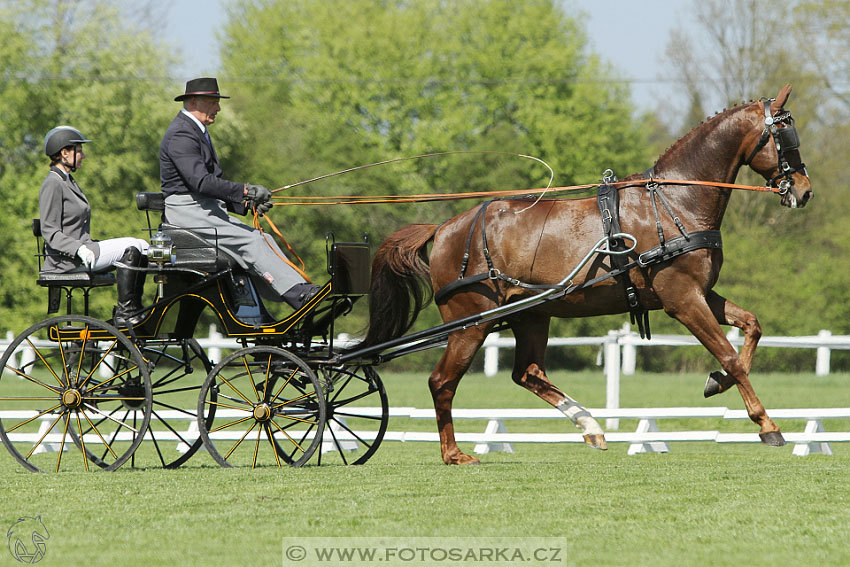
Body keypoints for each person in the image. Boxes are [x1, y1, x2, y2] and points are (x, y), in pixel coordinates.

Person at [158, 77, 319, 309]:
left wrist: (243, 206)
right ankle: (298, 294)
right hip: (186, 214)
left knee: (264, 237)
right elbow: (201, 182)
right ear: (194, 101)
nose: (218, 107)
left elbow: (206, 189)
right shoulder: (181, 134)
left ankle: (291, 291)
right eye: (213, 101)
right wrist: (246, 190)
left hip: (202, 209)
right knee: (251, 240)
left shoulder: (195, 130)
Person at [38, 126, 150, 325]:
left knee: (141, 244)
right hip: (67, 260)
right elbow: (49, 231)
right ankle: (127, 313)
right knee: (132, 247)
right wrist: (78, 249)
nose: (83, 155)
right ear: (64, 153)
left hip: (83, 251)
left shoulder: (68, 181)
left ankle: (134, 309)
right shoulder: (53, 183)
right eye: (78, 151)